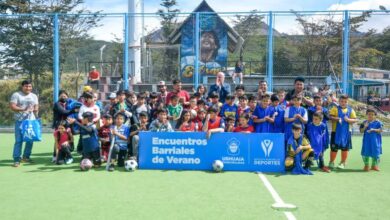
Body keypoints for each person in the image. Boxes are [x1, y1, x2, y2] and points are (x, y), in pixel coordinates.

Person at [9, 80, 39, 167]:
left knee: (30, 140)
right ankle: (16, 159)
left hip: (31, 121)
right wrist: (24, 109)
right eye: (26, 86)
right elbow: (12, 106)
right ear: (22, 87)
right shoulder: (16, 95)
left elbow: (36, 106)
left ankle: (26, 157)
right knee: (19, 140)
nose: (28, 88)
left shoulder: (34, 96)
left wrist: (36, 113)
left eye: (30, 86)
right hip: (20, 121)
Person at [328, 94, 357, 169]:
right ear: (339, 101)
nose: (343, 103)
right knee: (334, 148)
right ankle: (331, 162)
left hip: (346, 133)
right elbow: (330, 117)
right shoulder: (335, 108)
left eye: (345, 101)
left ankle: (343, 162)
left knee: (345, 148)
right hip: (335, 132)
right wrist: (337, 119)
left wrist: (349, 120)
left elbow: (355, 120)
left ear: (347, 102)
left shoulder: (351, 110)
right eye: (341, 101)